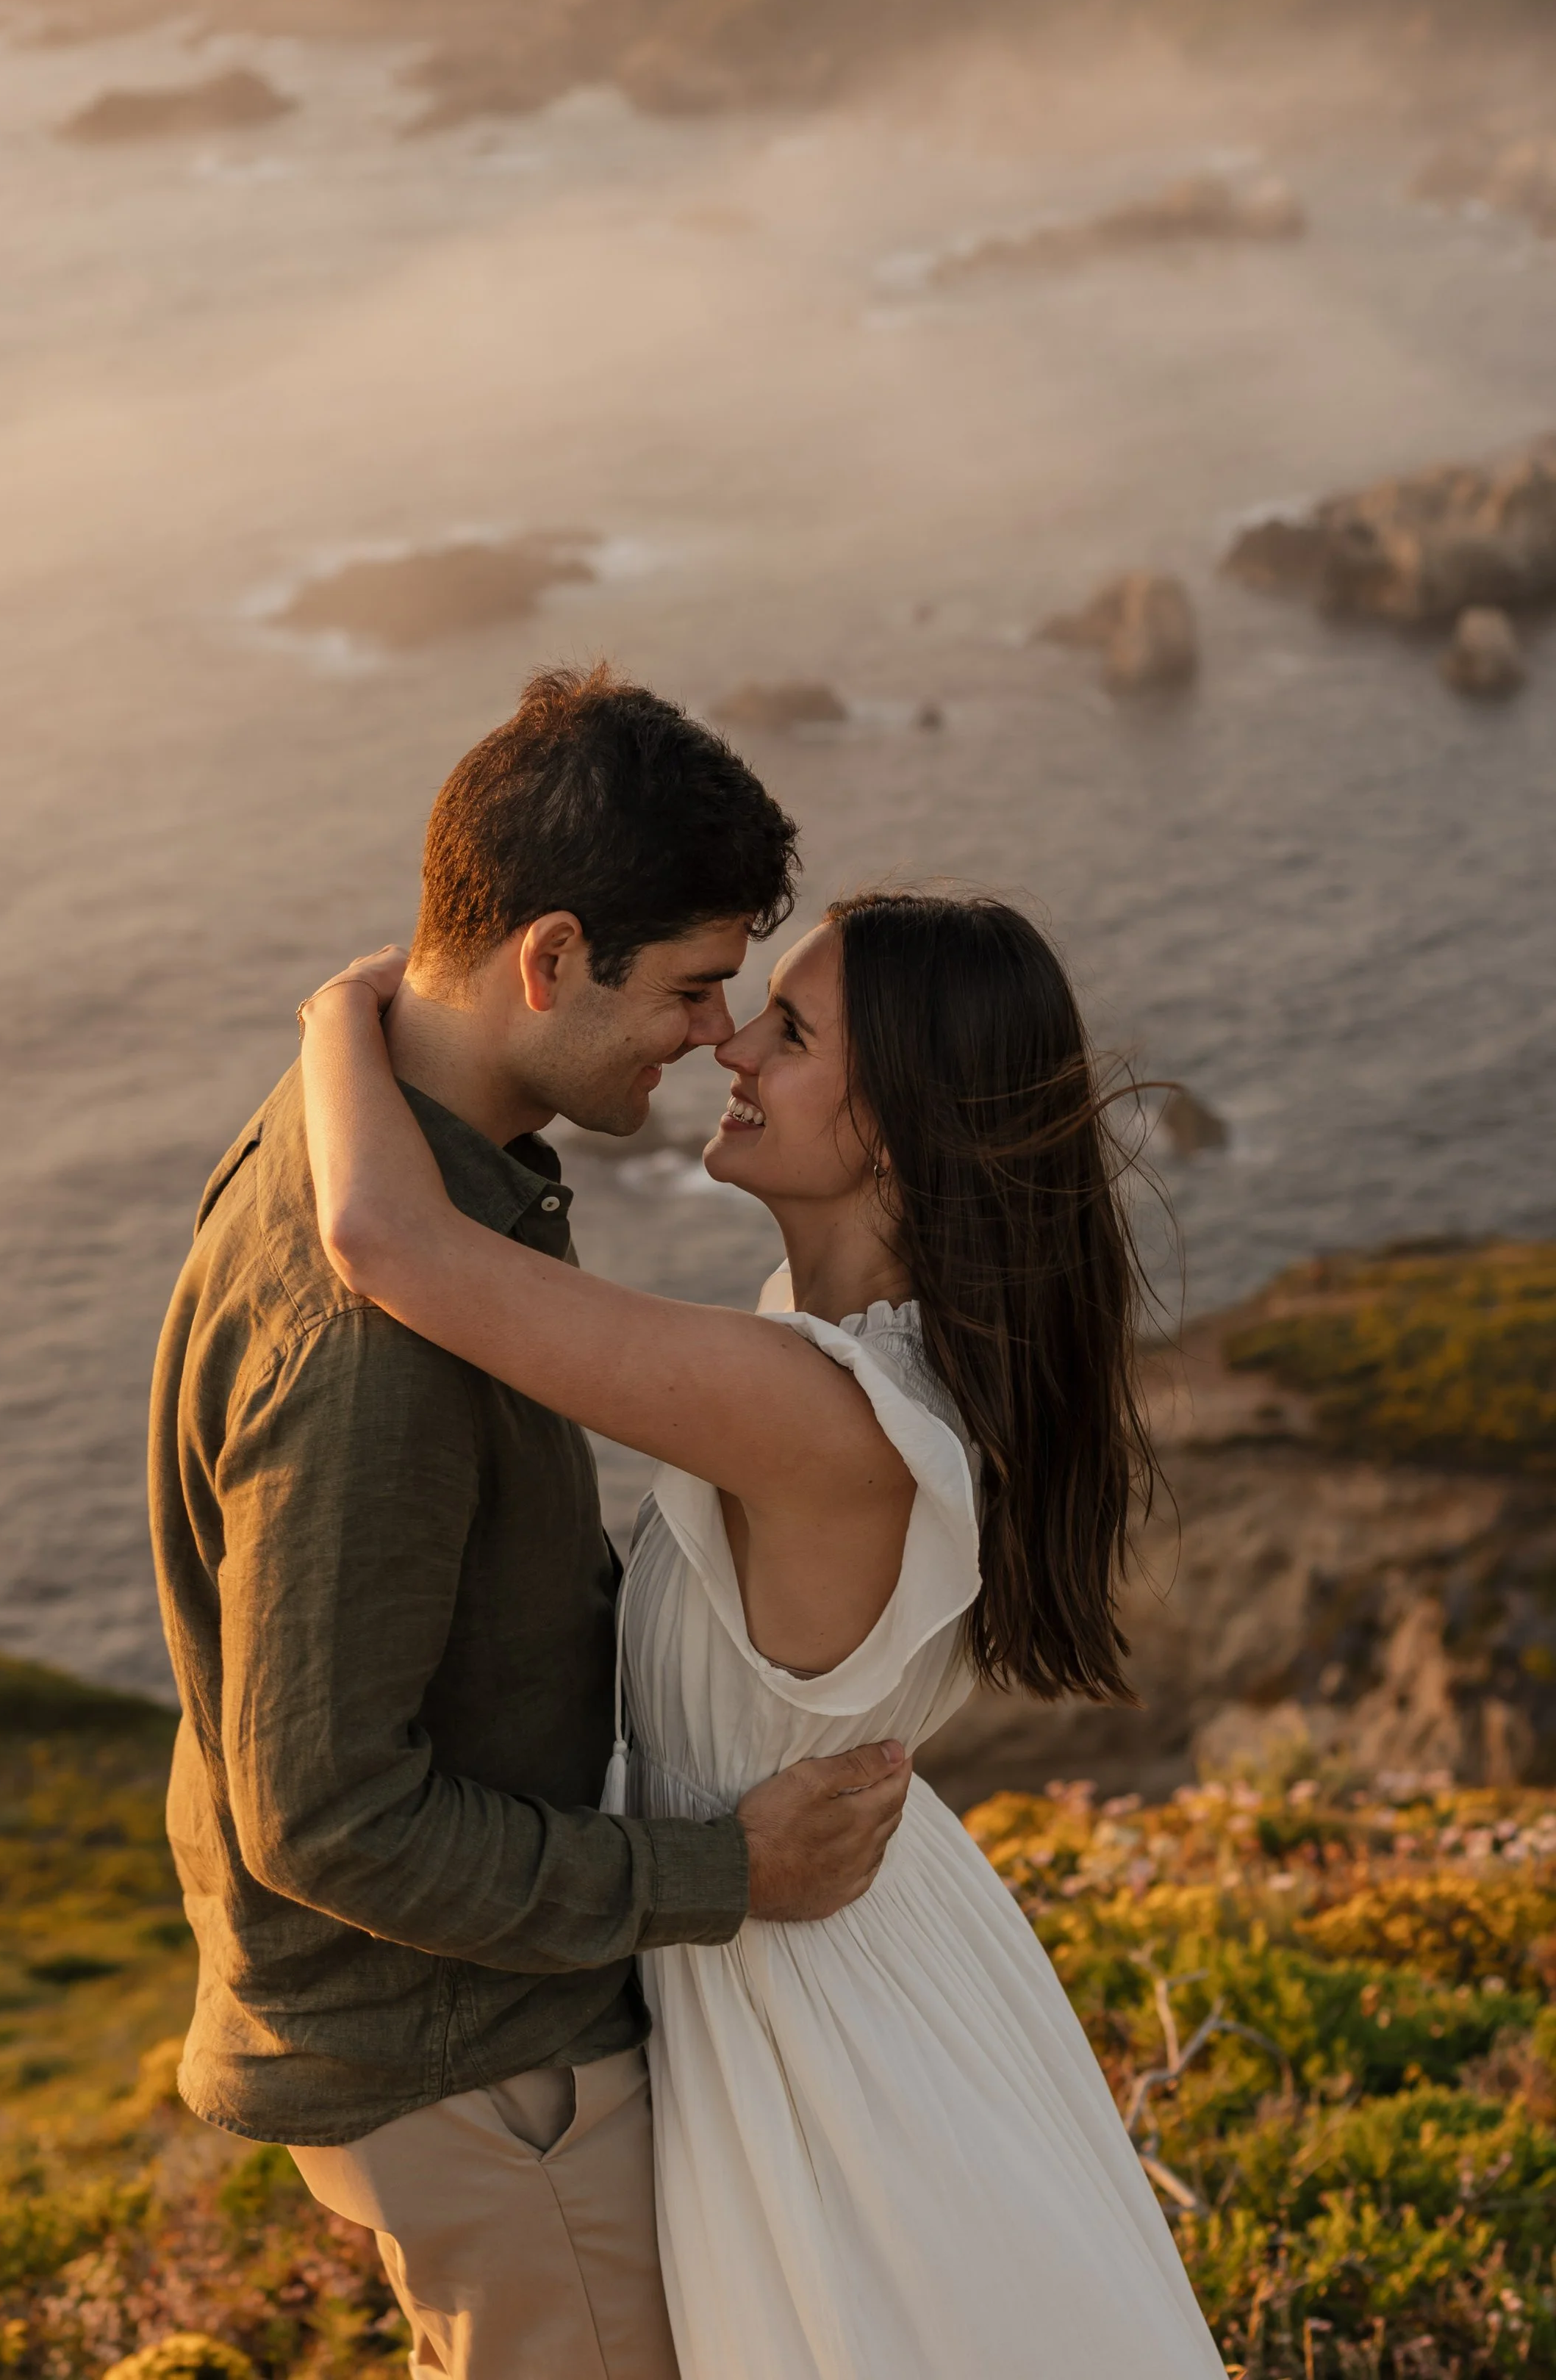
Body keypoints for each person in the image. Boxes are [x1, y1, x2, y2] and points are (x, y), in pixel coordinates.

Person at [297, 883, 1231, 2380]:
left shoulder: (814, 1411)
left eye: (788, 1032)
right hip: (857, 1952)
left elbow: (383, 1242)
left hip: (818, 2025)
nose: (727, 1046)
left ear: (897, 1125)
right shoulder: (860, 1356)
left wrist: (341, 1015)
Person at [148, 668, 917, 2380]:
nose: (716, 1039)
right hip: (479, 2065)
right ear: (549, 956)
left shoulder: (400, 1161)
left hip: (483, 2036)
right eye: (699, 988)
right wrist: (730, 1871)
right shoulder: (378, 1339)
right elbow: (330, 1819)